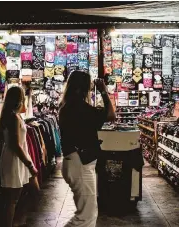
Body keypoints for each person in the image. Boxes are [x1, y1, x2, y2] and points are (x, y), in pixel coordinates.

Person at [59, 71, 115, 227]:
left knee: (87, 213)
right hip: (80, 163)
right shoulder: (79, 108)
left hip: (75, 161)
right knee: (86, 217)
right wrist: (103, 91)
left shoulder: (68, 107)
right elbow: (111, 115)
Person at [0, 86, 38, 227]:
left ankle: (17, 221)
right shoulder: (13, 117)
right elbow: (15, 145)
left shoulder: (12, 116)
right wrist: (29, 163)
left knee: (19, 197)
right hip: (15, 159)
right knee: (12, 200)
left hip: (17, 158)